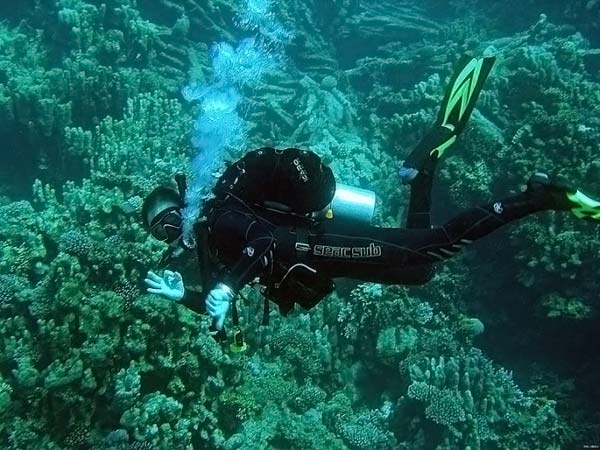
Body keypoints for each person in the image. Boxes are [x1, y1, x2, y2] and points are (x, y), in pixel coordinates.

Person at [142, 54, 600, 342]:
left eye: (167, 220)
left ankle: (538, 197)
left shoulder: (218, 218)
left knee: (437, 244)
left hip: (317, 246)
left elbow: (261, 243)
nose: (168, 232)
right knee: (420, 270)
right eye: (159, 231)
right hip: (322, 256)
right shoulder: (210, 244)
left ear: (184, 207)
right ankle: (424, 167)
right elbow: (223, 306)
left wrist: (228, 287)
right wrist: (187, 296)